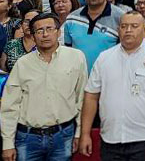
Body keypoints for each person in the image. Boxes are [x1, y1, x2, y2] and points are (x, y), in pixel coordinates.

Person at [77, 11, 145, 161]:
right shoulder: (104, 58)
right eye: (124, 26)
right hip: (110, 138)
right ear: (118, 30)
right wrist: (85, 133)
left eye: (134, 26)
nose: (128, 30)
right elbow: (91, 96)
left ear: (144, 29)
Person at [0, 12, 88, 161]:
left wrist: (79, 133)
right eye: (39, 31)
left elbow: (82, 99)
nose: (45, 34)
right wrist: (7, 143)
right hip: (28, 137)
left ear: (58, 32)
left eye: (49, 29)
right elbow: (10, 105)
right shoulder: (23, 64)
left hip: (64, 134)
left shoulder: (76, 57)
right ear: (33, 36)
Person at [62, 0, 124, 72]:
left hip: (109, 76)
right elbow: (67, 51)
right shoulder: (72, 19)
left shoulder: (121, 17)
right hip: (78, 77)